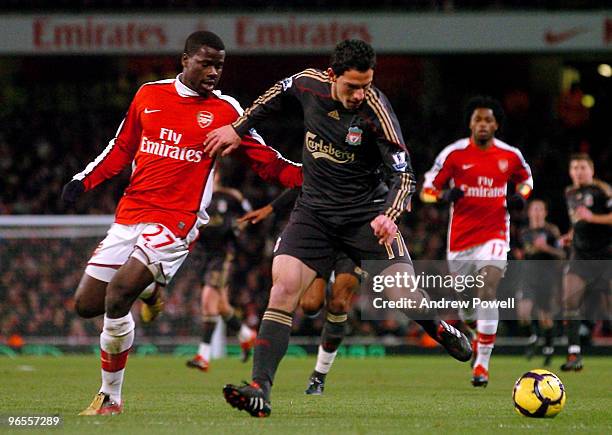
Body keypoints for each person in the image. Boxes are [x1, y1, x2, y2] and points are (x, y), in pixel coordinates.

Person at [205, 39, 472, 417]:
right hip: (314, 212)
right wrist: (237, 126)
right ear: (332, 76)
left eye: (367, 85)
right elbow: (274, 95)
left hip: (366, 216)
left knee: (404, 297)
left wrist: (388, 215)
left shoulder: (376, 111)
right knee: (282, 289)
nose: (360, 94)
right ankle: (259, 388)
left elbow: (404, 173)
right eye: (352, 86)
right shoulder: (307, 83)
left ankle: (441, 330)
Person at [61, 31, 302, 416]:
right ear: (184, 59)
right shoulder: (149, 95)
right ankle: (150, 292)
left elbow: (263, 158)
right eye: (205, 63)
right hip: (131, 214)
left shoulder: (225, 111)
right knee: (86, 304)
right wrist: (83, 180)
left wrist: (310, 175)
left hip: (178, 221)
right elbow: (122, 146)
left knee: (118, 293)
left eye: (219, 66)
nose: (213, 72)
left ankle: (110, 397)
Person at [421, 95, 533, 387]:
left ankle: (481, 364)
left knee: (488, 288)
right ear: (470, 123)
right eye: (477, 119)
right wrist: (443, 195)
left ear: (496, 125)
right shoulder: (454, 154)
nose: (482, 124)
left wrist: (521, 197)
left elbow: (527, 179)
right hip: (460, 240)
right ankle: (474, 332)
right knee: (467, 306)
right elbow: (426, 189)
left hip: (495, 233)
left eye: (488, 120)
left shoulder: (510, 155)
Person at [238, 188, 363, 395]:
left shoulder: (369, 160)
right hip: (320, 231)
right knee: (310, 305)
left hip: (354, 233)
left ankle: (319, 375)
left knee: (339, 302)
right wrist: (271, 207)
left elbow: (393, 177)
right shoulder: (323, 160)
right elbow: (304, 180)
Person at [185, 170, 257, 372]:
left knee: (208, 299)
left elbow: (249, 214)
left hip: (222, 254)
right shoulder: (194, 195)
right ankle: (246, 335)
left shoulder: (230, 196)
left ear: (216, 176)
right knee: (222, 306)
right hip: (201, 255)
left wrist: (237, 227)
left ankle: (203, 356)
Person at [560, 153, 612, 371]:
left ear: (591, 170)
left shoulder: (603, 191)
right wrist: (570, 234)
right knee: (569, 301)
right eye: (575, 168)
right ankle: (574, 354)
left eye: (583, 167)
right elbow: (579, 220)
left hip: (604, 255)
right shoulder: (570, 192)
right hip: (579, 256)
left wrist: (593, 218)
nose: (579, 172)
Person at [516, 199, 565, 366]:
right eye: (534, 209)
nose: (536, 212)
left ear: (545, 212)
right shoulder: (524, 232)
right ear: (529, 212)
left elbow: (561, 254)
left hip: (546, 277)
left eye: (540, 209)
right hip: (528, 277)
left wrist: (547, 249)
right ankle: (535, 336)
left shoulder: (551, 231)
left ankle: (549, 348)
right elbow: (522, 252)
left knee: (546, 317)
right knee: (523, 313)